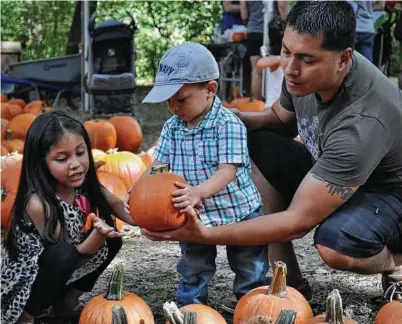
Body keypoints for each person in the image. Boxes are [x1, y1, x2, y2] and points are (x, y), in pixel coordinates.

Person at [142, 1, 402, 302]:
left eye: (306, 59)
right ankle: (288, 280)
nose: (290, 69)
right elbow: (280, 118)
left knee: (336, 243)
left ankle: (395, 260)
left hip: (389, 195)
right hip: (342, 172)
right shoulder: (308, 71)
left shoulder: (361, 122)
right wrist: (232, 118)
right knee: (252, 140)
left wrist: (205, 235)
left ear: (344, 59)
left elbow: (296, 222)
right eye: (287, 51)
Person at [141, 43, 269, 306]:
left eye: (180, 99)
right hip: (194, 211)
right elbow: (158, 166)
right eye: (168, 101)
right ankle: (192, 307)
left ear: (210, 90)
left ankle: (253, 303)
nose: (174, 107)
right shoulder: (172, 127)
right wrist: (138, 188)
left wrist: (197, 191)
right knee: (193, 265)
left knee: (249, 265)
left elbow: (227, 171)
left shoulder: (228, 124)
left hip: (239, 211)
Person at [1, 110, 136, 324]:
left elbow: (121, 207)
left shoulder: (85, 186)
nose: (75, 164)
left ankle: (66, 302)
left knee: (112, 239)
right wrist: (98, 235)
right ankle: (26, 316)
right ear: (41, 162)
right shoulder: (38, 204)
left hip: (62, 263)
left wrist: (155, 214)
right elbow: (72, 256)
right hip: (28, 280)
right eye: (62, 159)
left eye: (81, 153)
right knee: (65, 254)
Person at [240, 1, 288, 100]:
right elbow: (282, 5)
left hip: (253, 31)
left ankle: (257, 104)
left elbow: (244, 15)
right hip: (272, 31)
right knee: (278, 67)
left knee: (256, 71)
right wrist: (286, 24)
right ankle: (278, 100)